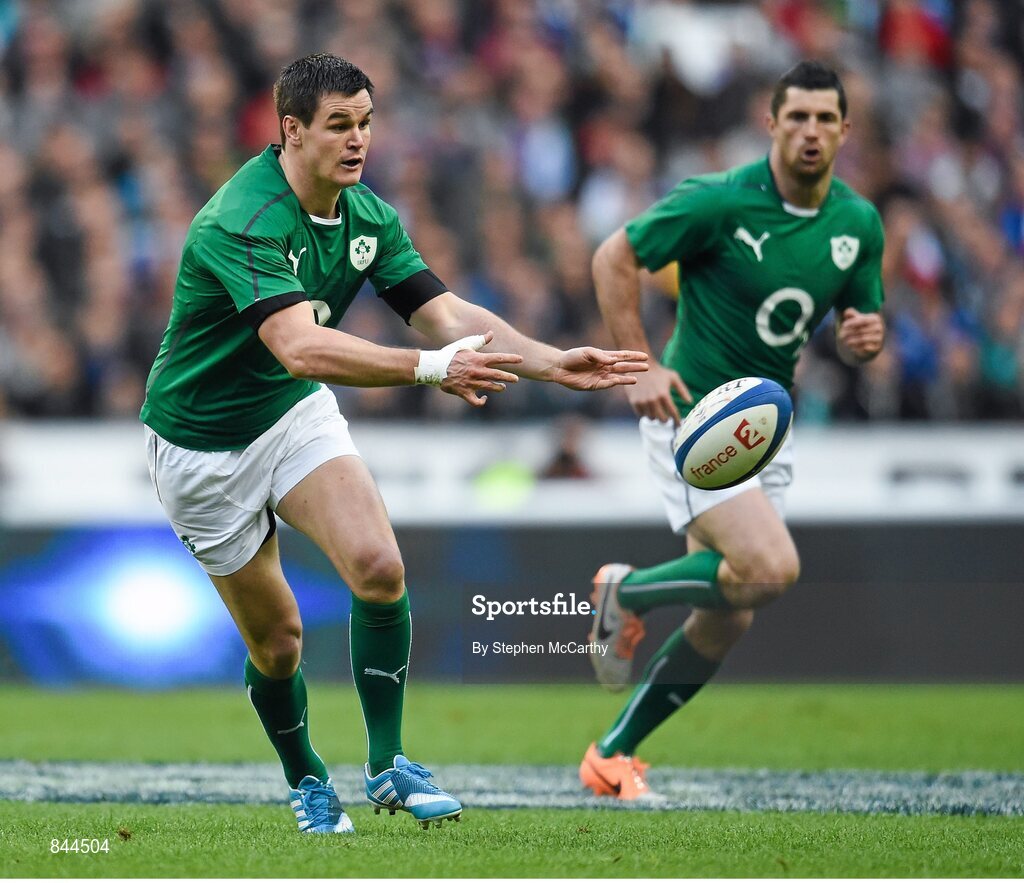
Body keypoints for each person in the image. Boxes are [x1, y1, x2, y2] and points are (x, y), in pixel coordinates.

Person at [139, 53, 647, 834]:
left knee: (379, 566)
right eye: (338, 125)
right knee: (279, 644)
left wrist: (552, 362)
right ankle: (307, 775)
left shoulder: (366, 216)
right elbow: (302, 347)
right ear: (291, 130)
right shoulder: (239, 219)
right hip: (200, 448)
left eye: (366, 123)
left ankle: (387, 763)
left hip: (289, 415)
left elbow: (443, 314)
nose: (357, 140)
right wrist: (429, 369)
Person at [579, 61, 885, 800]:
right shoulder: (720, 200)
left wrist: (861, 336)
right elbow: (613, 255)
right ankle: (627, 592)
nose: (810, 130)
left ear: (845, 130)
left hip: (762, 428)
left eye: (824, 119)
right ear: (771, 123)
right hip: (694, 415)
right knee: (771, 568)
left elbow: (855, 326)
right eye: (797, 116)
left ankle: (611, 755)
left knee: (729, 617)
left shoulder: (858, 224)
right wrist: (637, 366)